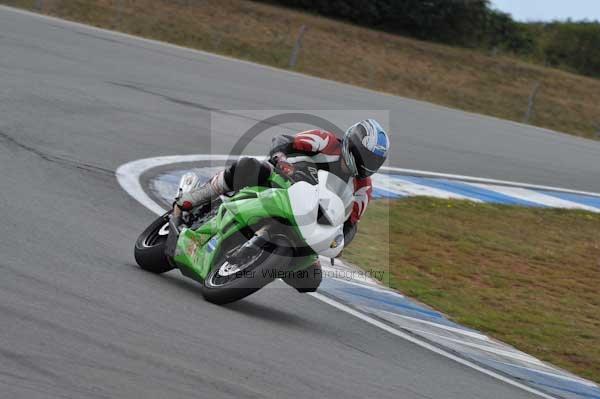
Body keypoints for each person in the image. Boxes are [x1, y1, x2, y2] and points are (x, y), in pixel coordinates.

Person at [175, 119, 390, 291]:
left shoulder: (363, 189)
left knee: (311, 279)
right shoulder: (325, 141)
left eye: (373, 162)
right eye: (366, 158)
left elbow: (350, 224)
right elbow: (284, 139)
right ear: (352, 144)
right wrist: (281, 159)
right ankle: (196, 197)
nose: (367, 165)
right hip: (280, 181)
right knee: (249, 166)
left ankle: (264, 265)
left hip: (309, 219)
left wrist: (341, 243)